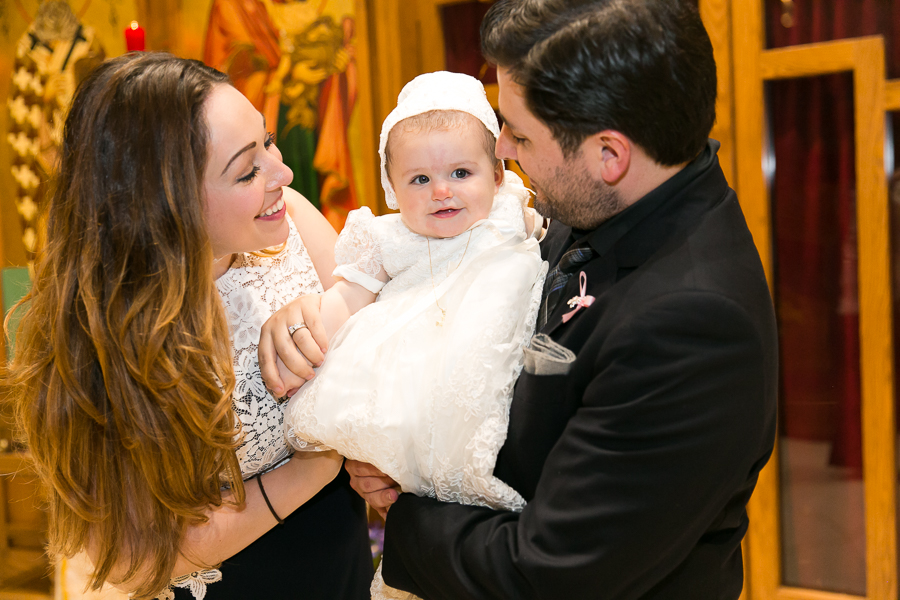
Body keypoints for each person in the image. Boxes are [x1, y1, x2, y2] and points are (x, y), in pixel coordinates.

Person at [261, 0, 779, 598]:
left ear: (609, 155)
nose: (502, 149)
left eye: (520, 133)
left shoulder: (693, 325)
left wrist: (406, 512)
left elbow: (551, 573)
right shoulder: (595, 207)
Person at [2, 52, 372, 600]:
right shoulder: (102, 333)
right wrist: (314, 470)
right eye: (247, 170)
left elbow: (379, 357)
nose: (284, 174)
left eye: (267, 142)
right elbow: (139, 554)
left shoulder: (290, 218)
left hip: (342, 567)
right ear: (163, 202)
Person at [275, 70, 546, 598]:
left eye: (461, 172)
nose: (441, 191)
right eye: (418, 180)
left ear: (498, 173)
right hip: (414, 390)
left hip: (493, 386)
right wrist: (305, 335)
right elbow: (345, 304)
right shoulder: (388, 238)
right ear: (392, 188)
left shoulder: (517, 217)